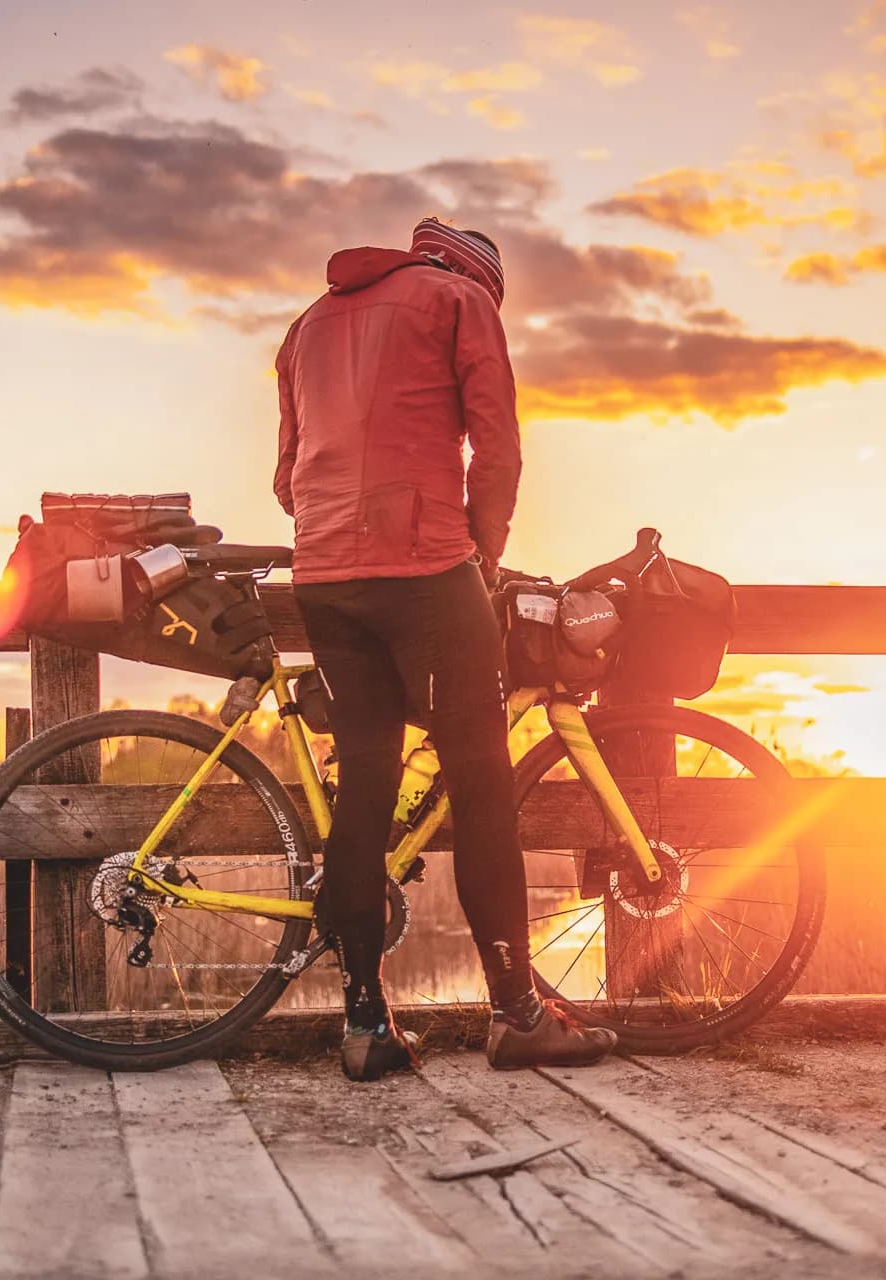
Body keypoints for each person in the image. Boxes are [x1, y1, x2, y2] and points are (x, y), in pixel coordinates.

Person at [274, 217, 619, 1081]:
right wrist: (481, 556)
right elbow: (494, 448)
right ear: (481, 278)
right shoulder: (462, 300)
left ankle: (365, 1025)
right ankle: (519, 1013)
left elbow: (287, 477)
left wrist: (339, 531)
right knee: (481, 780)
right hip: (425, 566)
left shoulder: (307, 324)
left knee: (365, 782)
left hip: (323, 576)